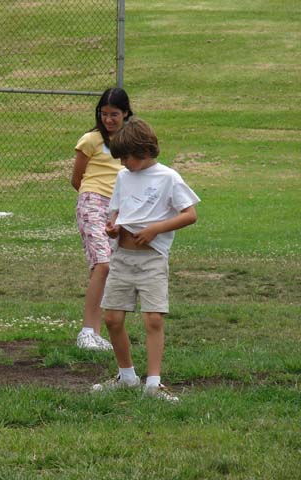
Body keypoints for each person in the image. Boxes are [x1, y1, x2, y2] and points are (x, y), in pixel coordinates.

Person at [92, 117, 200, 402]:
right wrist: (113, 228)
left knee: (153, 319)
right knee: (112, 319)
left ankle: (153, 384)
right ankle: (127, 377)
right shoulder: (123, 177)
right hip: (122, 258)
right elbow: (116, 212)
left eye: (126, 157)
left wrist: (155, 229)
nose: (123, 163)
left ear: (142, 151)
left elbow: (190, 214)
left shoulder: (168, 177)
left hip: (152, 260)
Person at [71, 88, 133, 350]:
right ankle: (87, 332)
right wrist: (93, 198)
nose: (108, 119)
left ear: (126, 113)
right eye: (104, 114)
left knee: (108, 269)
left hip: (120, 209)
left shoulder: (130, 140)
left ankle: (97, 332)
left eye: (114, 114)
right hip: (92, 201)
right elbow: (76, 178)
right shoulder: (91, 140)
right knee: (103, 264)